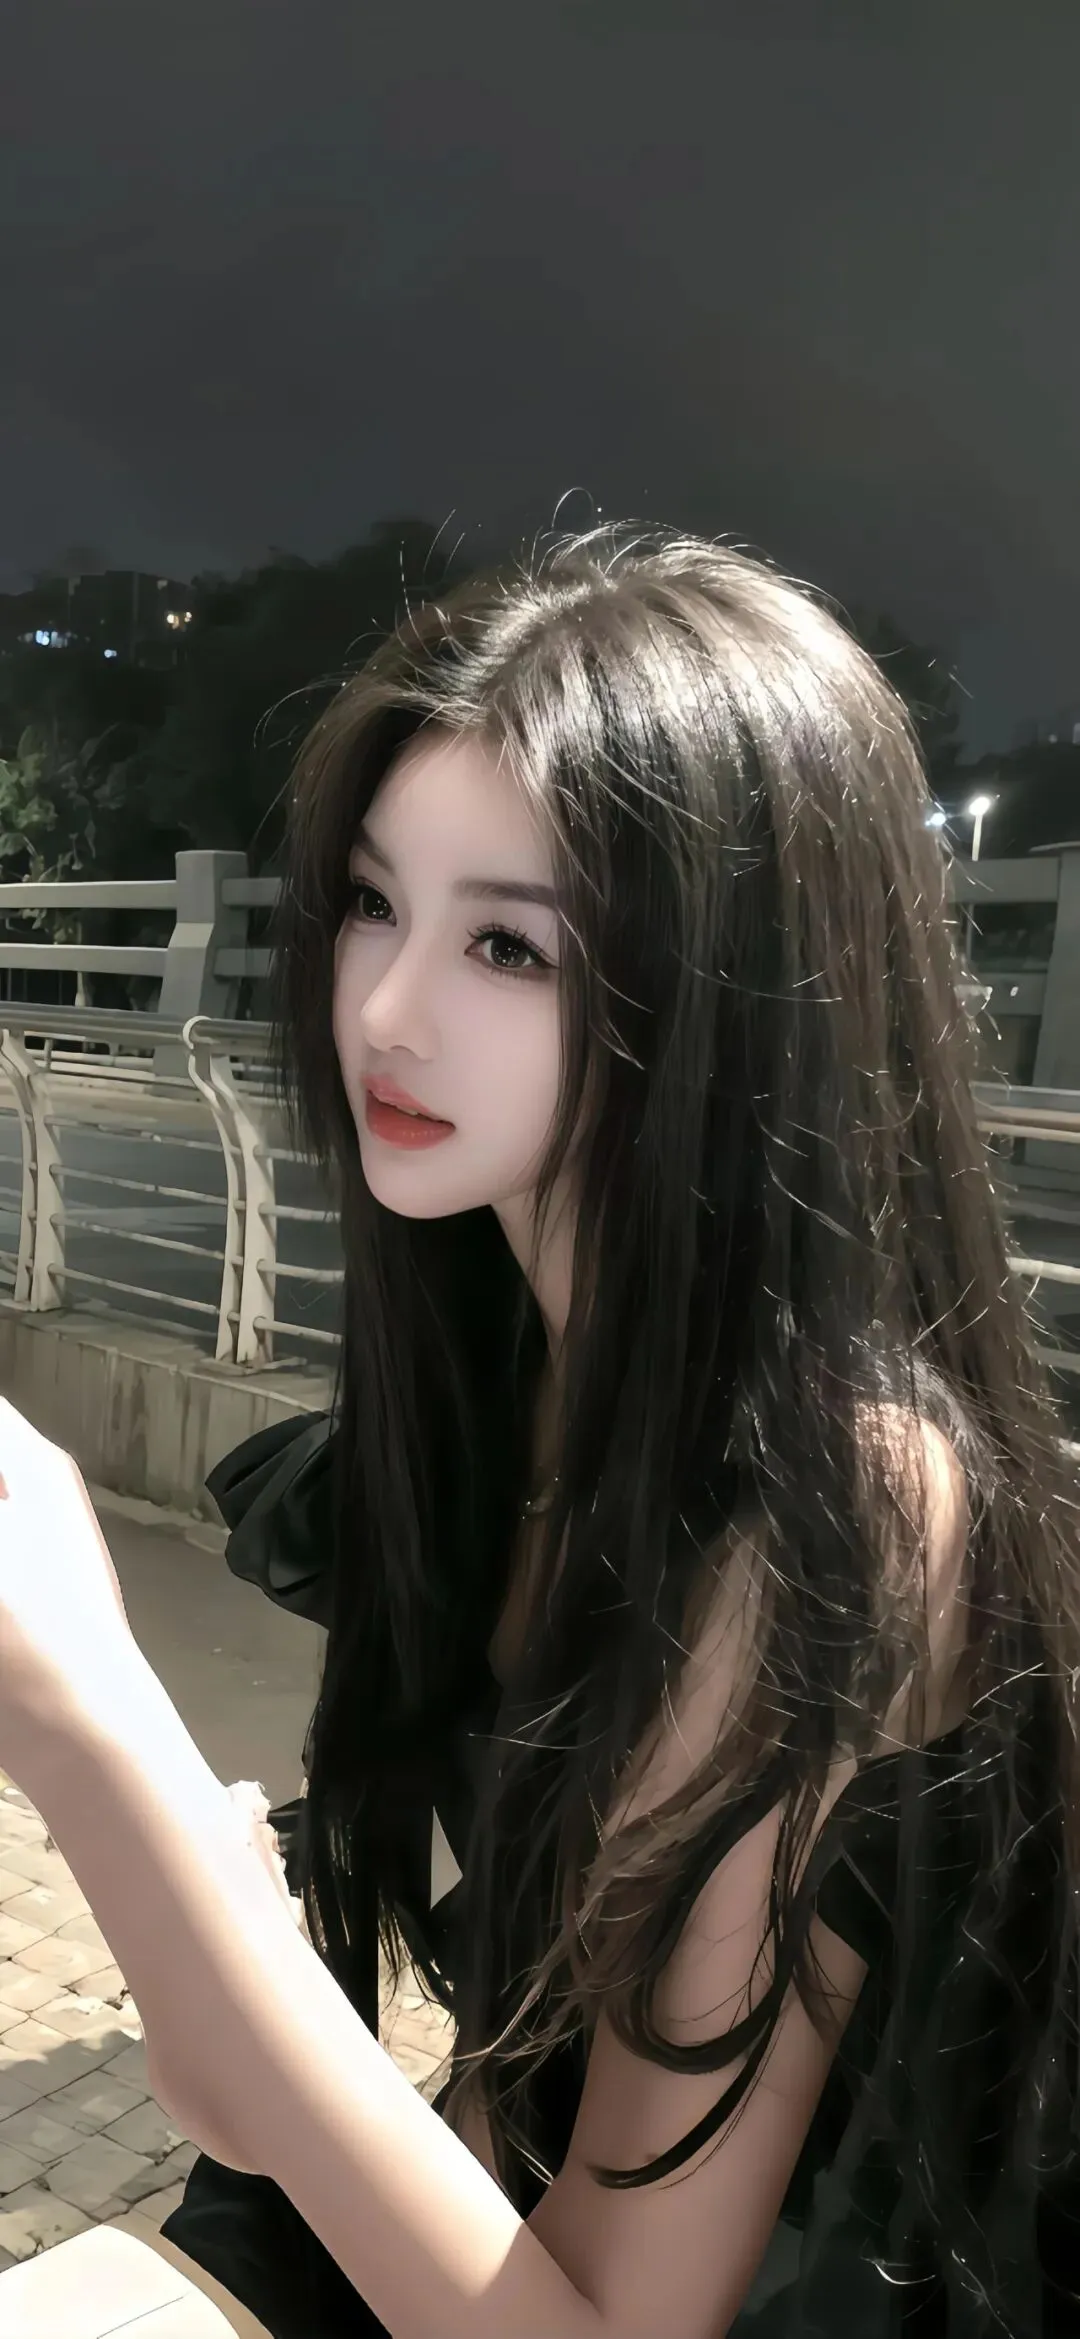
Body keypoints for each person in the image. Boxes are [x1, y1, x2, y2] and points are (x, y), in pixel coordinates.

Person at [0, 527, 1077, 2339]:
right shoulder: (521, 1364)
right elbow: (413, 2105)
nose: (385, 1008)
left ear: (733, 996)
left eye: (509, 943)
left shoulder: (851, 1504)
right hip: (491, 2228)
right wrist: (216, 1951)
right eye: (371, 902)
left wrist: (89, 1726)